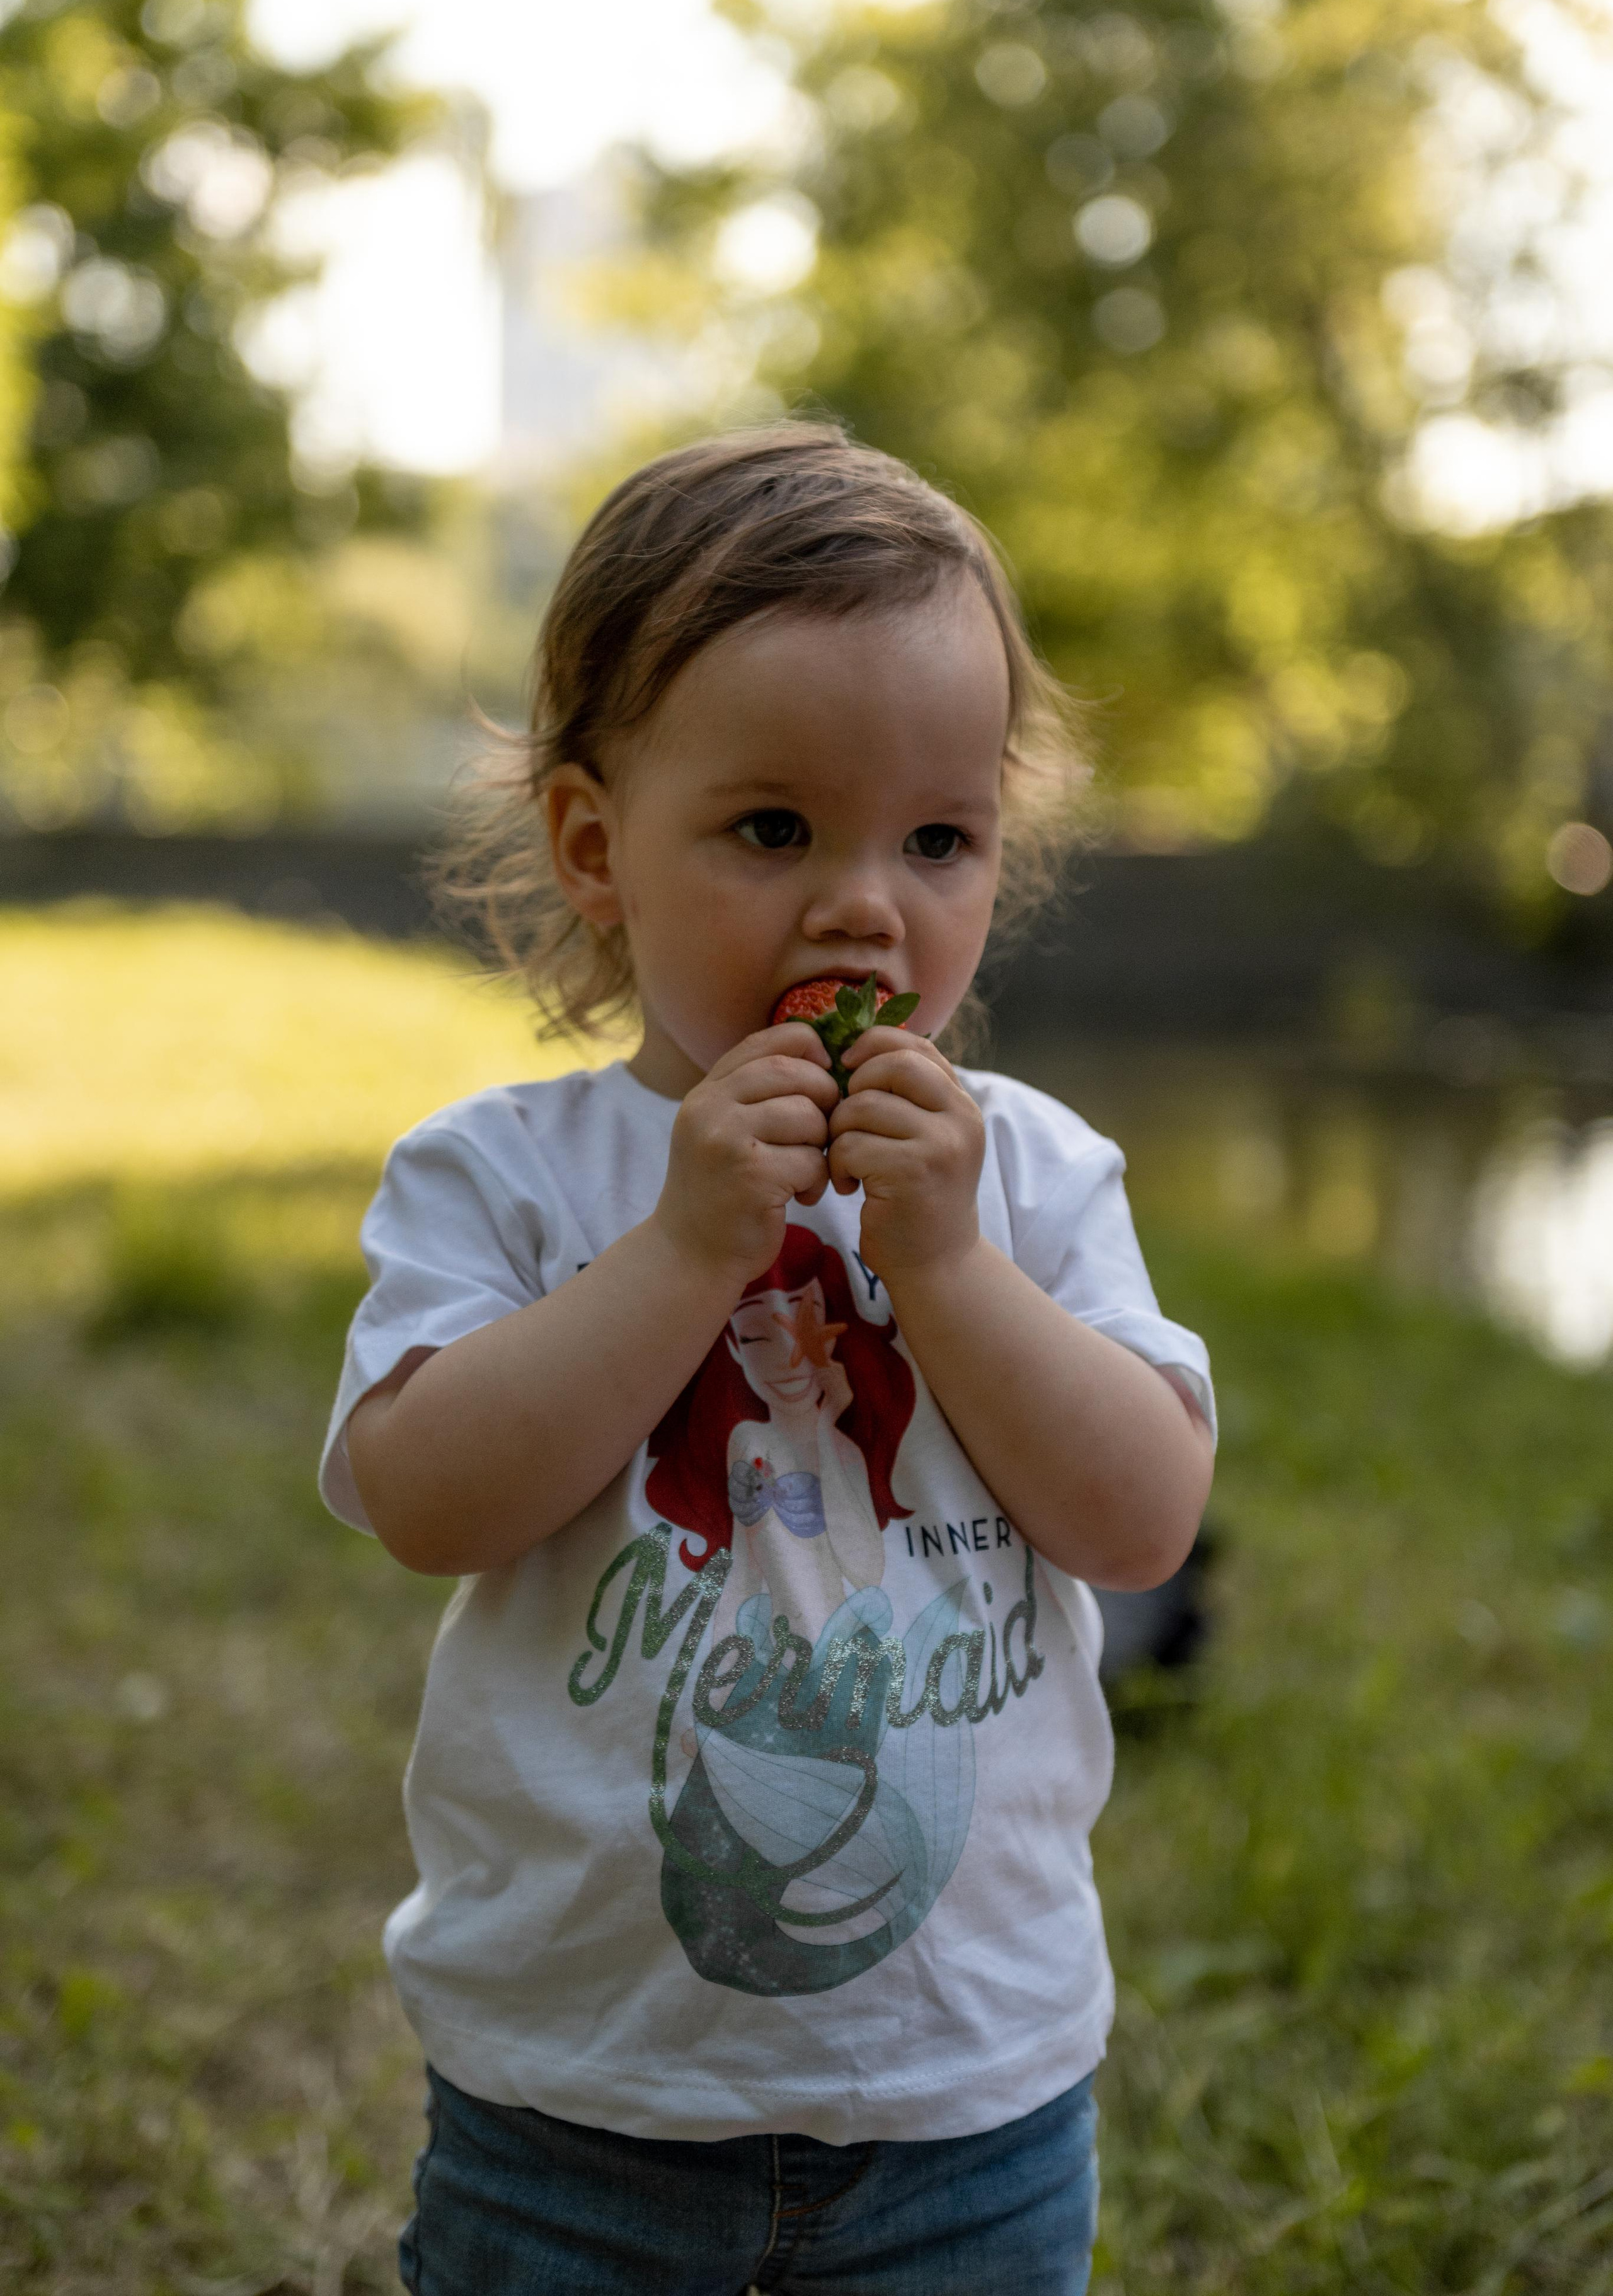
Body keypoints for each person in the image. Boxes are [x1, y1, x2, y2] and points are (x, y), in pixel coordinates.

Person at [321, 424, 1216, 2295]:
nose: (864, 906)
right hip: (575, 2109)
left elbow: (1139, 1519)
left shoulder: (1030, 1181)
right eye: (774, 828)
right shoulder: (504, 1174)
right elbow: (423, 1496)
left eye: (940, 838)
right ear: (597, 847)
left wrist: (950, 1267)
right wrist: (680, 1250)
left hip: (967, 2112)